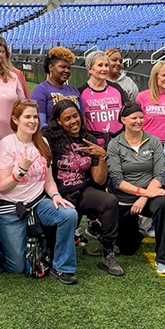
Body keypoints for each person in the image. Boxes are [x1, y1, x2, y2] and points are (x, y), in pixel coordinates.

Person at [0, 100, 79, 284]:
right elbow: (2, 186)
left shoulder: (42, 142)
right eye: (27, 117)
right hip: (11, 208)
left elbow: (48, 180)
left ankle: (63, 267)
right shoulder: (6, 144)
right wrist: (20, 171)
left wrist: (56, 195)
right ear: (15, 119)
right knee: (16, 267)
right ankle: (3, 241)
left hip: (37, 203)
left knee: (68, 214)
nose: (32, 121)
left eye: (35, 117)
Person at [44, 100, 123, 276]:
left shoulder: (89, 139)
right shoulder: (49, 138)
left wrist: (102, 156)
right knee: (52, 248)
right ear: (59, 121)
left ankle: (107, 254)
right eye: (67, 118)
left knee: (110, 201)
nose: (73, 121)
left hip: (81, 191)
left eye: (75, 116)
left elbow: (99, 180)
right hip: (57, 193)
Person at [107, 103, 165, 274]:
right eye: (134, 118)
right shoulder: (114, 144)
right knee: (128, 249)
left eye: (141, 117)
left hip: (150, 195)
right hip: (125, 199)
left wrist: (145, 196)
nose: (138, 121)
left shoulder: (154, 142)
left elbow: (160, 174)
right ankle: (140, 230)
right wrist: (142, 193)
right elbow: (116, 180)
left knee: (164, 204)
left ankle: (163, 258)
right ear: (123, 120)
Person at [78, 51, 128, 147]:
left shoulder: (117, 89)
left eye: (106, 65)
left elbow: (128, 112)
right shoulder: (81, 92)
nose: (104, 69)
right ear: (90, 69)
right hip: (94, 145)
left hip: (119, 144)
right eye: (100, 65)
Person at [30, 46, 82, 126]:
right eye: (62, 67)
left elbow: (82, 120)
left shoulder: (74, 91)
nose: (67, 71)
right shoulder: (40, 91)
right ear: (51, 67)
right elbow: (40, 124)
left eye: (69, 68)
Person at [135, 61, 165, 142]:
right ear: (155, 77)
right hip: (148, 143)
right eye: (163, 75)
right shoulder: (142, 97)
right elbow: (135, 123)